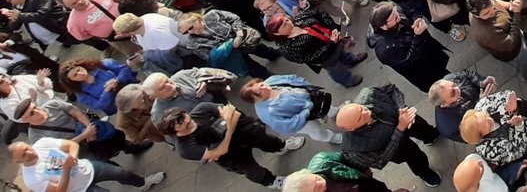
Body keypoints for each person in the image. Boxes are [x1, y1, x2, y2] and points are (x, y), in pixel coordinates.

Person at [158, 101, 304, 188]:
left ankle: (281, 147)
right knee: (253, 171)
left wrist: (224, 131)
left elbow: (234, 112)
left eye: (183, 116)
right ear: (174, 132)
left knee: (266, 139)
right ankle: (272, 182)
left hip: (242, 134)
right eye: (179, 124)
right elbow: (221, 151)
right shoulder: (185, 148)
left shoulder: (202, 108)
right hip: (230, 156)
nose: (186, 121)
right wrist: (227, 125)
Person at [333, 84, 442, 187]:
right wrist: (400, 128)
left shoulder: (368, 94)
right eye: (360, 118)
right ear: (351, 129)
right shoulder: (354, 150)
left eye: (361, 109)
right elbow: (380, 161)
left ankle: (430, 136)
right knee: (415, 157)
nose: (366, 112)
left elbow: (391, 89)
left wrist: (401, 109)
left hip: (402, 117)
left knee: (421, 127)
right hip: (397, 147)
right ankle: (424, 172)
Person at [8, 138, 165, 192]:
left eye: (27, 148)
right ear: (18, 161)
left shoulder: (42, 144)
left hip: (87, 167)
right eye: (24, 155)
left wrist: (72, 158)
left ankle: (144, 183)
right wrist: (66, 170)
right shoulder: (31, 178)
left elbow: (71, 145)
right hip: (80, 189)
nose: (30, 152)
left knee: (120, 173)